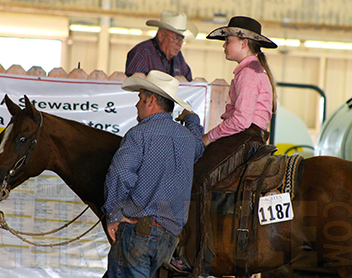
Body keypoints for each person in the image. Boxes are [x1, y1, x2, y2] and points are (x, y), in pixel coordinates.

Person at [171, 16, 278, 276]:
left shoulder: (249, 74)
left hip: (244, 136)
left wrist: (208, 137)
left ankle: (196, 252)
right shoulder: (251, 71)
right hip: (250, 134)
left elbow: (241, 120)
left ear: (244, 42)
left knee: (196, 177)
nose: (224, 45)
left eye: (228, 40)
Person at [101, 70, 204, 278]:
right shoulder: (187, 139)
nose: (137, 104)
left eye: (140, 98)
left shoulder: (139, 134)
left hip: (138, 233)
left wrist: (113, 214)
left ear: (151, 100)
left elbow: (120, 173)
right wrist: (192, 118)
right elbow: (199, 145)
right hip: (168, 239)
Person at [125, 10, 198, 81]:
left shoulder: (178, 57)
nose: (180, 44)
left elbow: (189, 84)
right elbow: (133, 87)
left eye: (182, 39)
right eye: (176, 38)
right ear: (161, 36)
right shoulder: (142, 53)